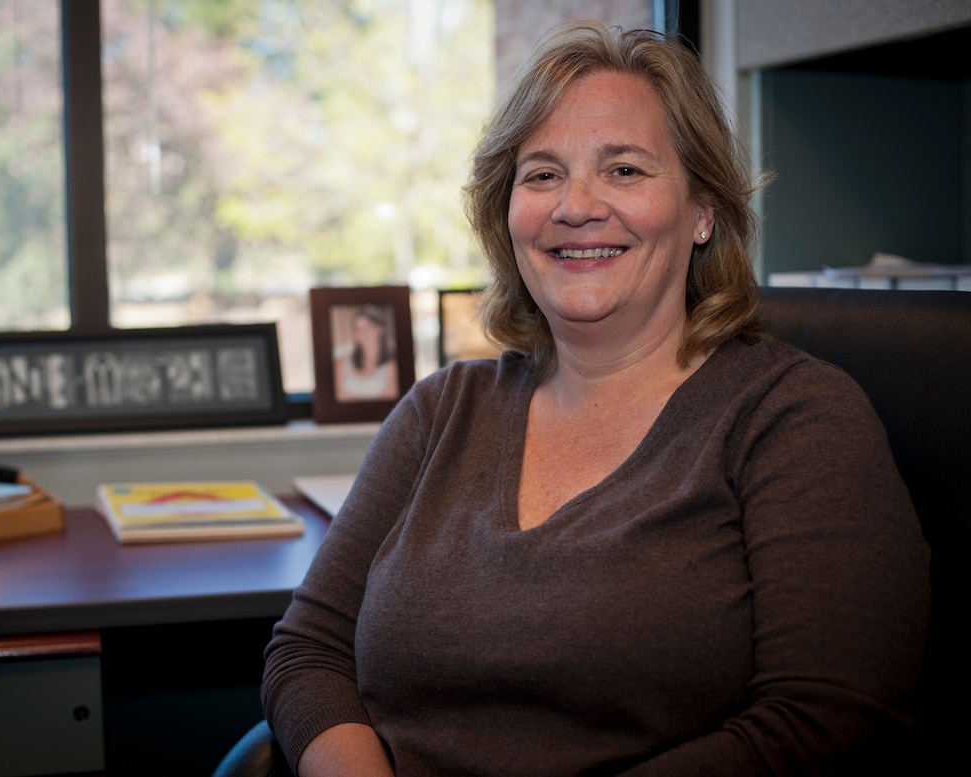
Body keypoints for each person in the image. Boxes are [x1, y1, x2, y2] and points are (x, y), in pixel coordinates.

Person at [262, 21, 929, 776]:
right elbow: (307, 651)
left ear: (704, 210)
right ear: (506, 215)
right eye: (542, 174)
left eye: (624, 171)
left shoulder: (793, 419)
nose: (575, 206)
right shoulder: (440, 411)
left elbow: (826, 721)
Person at [333, 305, 399, 402]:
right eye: (357, 329)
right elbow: (338, 396)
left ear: (379, 329)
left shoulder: (392, 366)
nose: (362, 333)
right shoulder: (341, 363)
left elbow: (393, 398)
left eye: (367, 327)